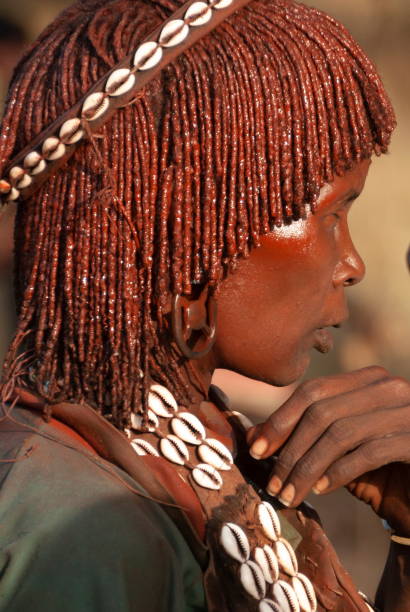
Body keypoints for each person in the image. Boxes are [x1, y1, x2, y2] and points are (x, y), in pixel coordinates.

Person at [0, 0, 409, 610]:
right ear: (190, 237)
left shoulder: (199, 453)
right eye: (331, 215)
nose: (353, 264)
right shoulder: (86, 527)